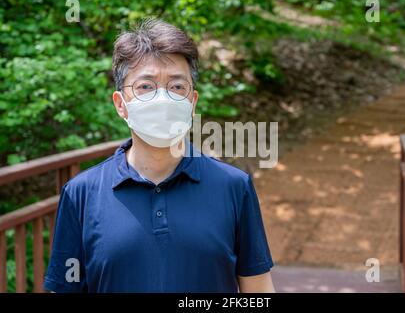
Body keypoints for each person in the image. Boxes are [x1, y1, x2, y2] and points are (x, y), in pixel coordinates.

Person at [44, 18, 274, 293]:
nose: (162, 98)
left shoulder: (234, 187)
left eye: (177, 87)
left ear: (192, 101)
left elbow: (258, 291)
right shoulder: (81, 194)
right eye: (146, 86)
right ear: (121, 104)